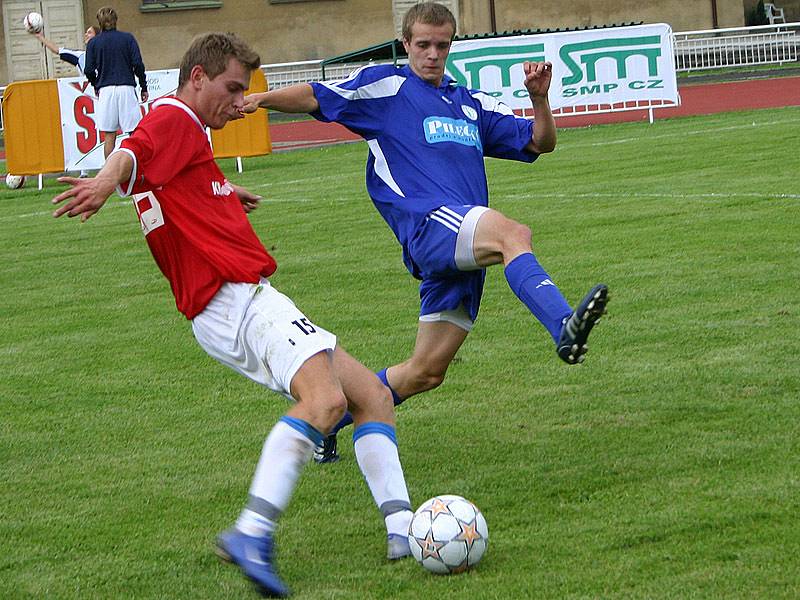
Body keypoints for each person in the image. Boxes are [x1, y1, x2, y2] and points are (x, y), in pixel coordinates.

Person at [52, 32, 414, 598]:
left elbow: (161, 177)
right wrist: (103, 180)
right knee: (326, 402)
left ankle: (403, 530)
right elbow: (135, 151)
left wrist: (219, 190)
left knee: (373, 395)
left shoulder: (186, 132)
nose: (238, 100)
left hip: (228, 302)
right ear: (197, 77)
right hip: (234, 296)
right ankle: (251, 532)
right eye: (232, 88)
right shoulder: (172, 116)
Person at [241, 1, 609, 463]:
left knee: (424, 372)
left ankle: (328, 422)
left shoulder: (468, 103)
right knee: (513, 234)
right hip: (430, 224)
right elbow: (316, 95)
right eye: (423, 45)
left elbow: (539, 142)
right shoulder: (387, 88)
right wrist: (261, 100)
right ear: (405, 45)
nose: (433, 54)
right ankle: (562, 326)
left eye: (442, 45)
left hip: (461, 244)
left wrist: (539, 98)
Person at [31, 25, 101, 177]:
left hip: (107, 97)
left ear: (97, 36)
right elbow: (58, 50)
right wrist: (40, 37)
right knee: (87, 131)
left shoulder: (106, 53)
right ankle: (84, 170)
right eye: (86, 31)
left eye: (89, 32)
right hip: (89, 101)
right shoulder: (81, 56)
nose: (85, 34)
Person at [84, 6, 148, 160]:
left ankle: (109, 175)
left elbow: (88, 69)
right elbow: (138, 63)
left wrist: (95, 84)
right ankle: (138, 168)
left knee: (109, 135)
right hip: (126, 86)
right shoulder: (128, 38)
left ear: (99, 23)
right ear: (116, 21)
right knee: (134, 133)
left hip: (106, 89)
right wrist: (143, 86)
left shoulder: (94, 43)